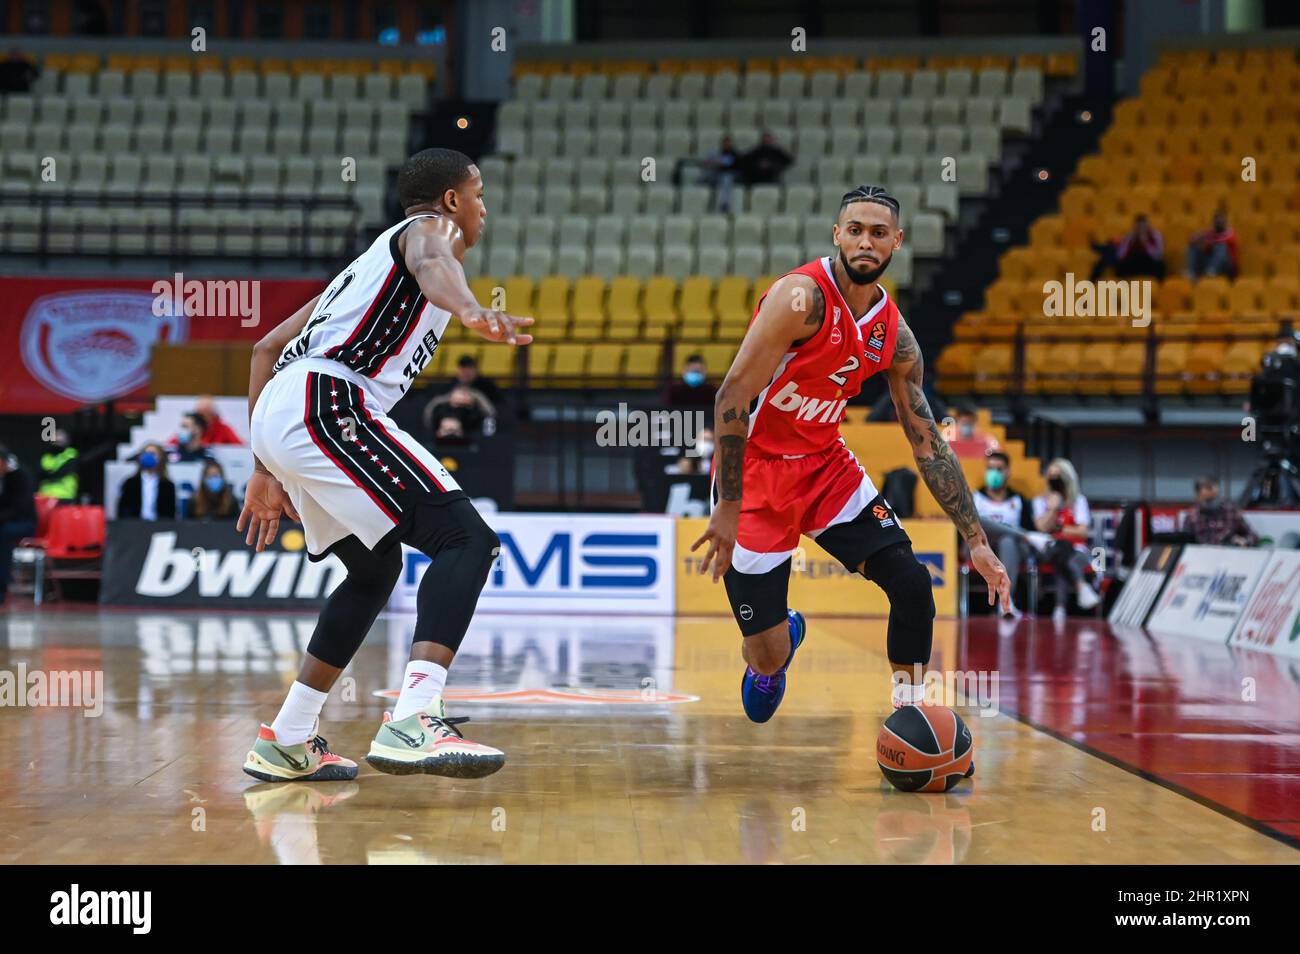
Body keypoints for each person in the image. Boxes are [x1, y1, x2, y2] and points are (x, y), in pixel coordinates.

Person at [239, 147, 532, 784]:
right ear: (452, 200)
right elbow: (434, 261)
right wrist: (472, 310)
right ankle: (415, 716)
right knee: (466, 541)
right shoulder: (432, 234)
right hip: (330, 399)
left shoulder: (364, 267)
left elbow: (265, 347)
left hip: (289, 408)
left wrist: (263, 465)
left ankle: (288, 736)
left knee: (374, 571)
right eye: (478, 196)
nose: (482, 211)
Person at [691, 185, 1010, 731]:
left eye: (879, 233)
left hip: (825, 467)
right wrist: (726, 505)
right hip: (758, 474)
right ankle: (780, 643)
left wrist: (976, 540)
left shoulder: (895, 334)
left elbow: (927, 441)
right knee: (765, 659)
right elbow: (730, 398)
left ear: (897, 243)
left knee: (911, 583)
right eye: (856, 230)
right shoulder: (800, 299)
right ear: (837, 235)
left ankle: (909, 717)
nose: (866, 241)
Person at [973, 451, 1050, 619]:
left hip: (1013, 550)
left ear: (1008, 472)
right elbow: (974, 527)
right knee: (983, 523)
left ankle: (1006, 601)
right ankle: (1006, 602)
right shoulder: (976, 498)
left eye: (998, 469)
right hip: (983, 548)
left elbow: (1029, 526)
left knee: (1007, 541)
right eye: (990, 468)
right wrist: (1026, 535)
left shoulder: (1019, 500)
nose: (993, 473)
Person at [1032, 457, 1101, 623]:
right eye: (1051, 476)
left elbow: (1082, 533)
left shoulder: (1078, 501)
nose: (1055, 481)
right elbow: (1041, 528)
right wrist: (1052, 509)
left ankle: (1059, 609)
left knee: (1065, 559)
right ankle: (1081, 587)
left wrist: (1058, 529)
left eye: (1059, 476)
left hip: (1076, 550)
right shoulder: (1040, 501)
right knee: (1061, 551)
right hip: (1049, 548)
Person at [0, 446, 37, 606]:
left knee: (3, 534)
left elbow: (19, 509)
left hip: (25, 523)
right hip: (6, 522)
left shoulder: (21, 476)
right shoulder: (3, 479)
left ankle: (2, 585)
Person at [1184, 476, 1257, 546]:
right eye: (1208, 500)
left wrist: (1245, 541)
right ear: (1197, 496)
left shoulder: (1231, 511)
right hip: (1201, 556)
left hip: (1228, 555)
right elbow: (1184, 541)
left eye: (1214, 498)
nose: (1212, 504)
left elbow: (1252, 536)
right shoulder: (1191, 517)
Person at [1091, 214, 1166, 281]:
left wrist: (1146, 243)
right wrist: (1131, 241)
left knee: (1161, 265)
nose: (1141, 229)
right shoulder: (1130, 236)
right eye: (1138, 227)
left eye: (1143, 227)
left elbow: (1158, 255)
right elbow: (1120, 256)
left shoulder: (1155, 235)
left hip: (1149, 264)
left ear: (1147, 226)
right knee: (1108, 256)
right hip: (1132, 264)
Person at [117, 443, 177, 520]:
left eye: (153, 454)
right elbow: (123, 510)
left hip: (160, 526)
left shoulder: (168, 485)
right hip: (134, 526)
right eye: (146, 453)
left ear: (160, 458)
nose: (149, 456)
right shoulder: (130, 483)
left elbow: (170, 513)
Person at [421, 382, 495, 444]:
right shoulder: (441, 409)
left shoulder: (473, 414)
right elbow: (429, 415)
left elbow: (489, 413)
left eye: (465, 395)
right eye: (457, 402)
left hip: (466, 441)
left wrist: (472, 404)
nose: (461, 400)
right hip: (439, 443)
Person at [1186, 210, 1238, 280]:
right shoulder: (1211, 233)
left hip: (1227, 265)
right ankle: (1192, 272)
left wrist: (1207, 240)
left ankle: (1212, 269)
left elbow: (1220, 242)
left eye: (1221, 221)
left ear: (1225, 222)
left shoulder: (1230, 233)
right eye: (1217, 221)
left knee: (1221, 246)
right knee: (1193, 247)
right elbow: (1192, 240)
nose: (1219, 222)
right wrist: (1200, 235)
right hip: (1209, 262)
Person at [38, 428, 79, 501]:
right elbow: (38, 474)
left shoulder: (71, 454)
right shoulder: (46, 457)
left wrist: (48, 474)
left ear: (66, 441)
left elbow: (61, 472)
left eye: (59, 439)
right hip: (45, 498)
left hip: (64, 497)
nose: (56, 440)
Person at [705, 135, 741, 212]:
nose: (727, 145)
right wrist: (714, 162)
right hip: (718, 174)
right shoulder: (718, 152)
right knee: (705, 174)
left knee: (726, 179)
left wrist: (718, 162)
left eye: (729, 143)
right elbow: (710, 162)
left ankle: (725, 204)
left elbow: (729, 163)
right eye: (725, 143)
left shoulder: (735, 153)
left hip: (731, 175)